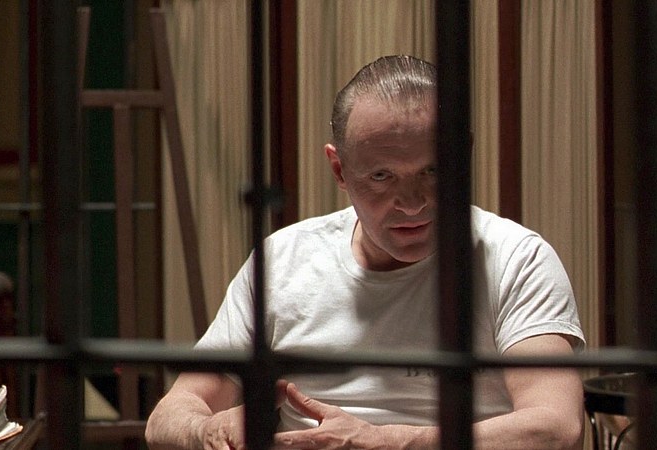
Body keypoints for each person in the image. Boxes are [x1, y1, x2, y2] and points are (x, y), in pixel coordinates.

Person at [145, 55, 585, 450]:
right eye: (381, 176)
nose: (412, 203)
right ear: (339, 169)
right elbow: (170, 414)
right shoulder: (284, 260)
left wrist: (385, 442)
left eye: (433, 171)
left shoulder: (515, 259)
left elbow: (556, 427)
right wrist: (209, 430)